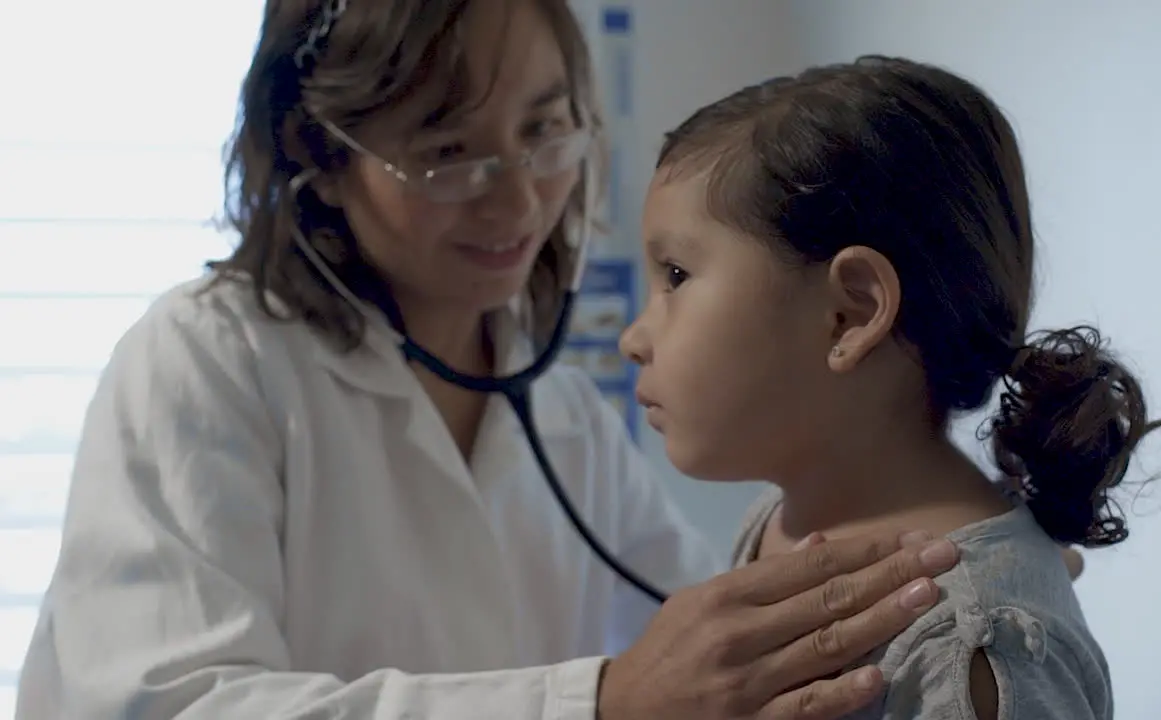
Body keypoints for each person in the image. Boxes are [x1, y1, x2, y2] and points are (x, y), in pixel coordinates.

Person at [15, 4, 971, 720]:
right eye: (447, 151)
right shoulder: (201, 365)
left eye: (546, 130)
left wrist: (952, 558)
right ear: (319, 150)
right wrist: (590, 702)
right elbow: (164, 706)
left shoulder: (551, 399)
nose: (518, 199)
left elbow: (714, 627)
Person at [617, 56, 1161, 720]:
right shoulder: (777, 523)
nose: (633, 337)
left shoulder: (972, 646)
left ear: (851, 314)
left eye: (676, 276)